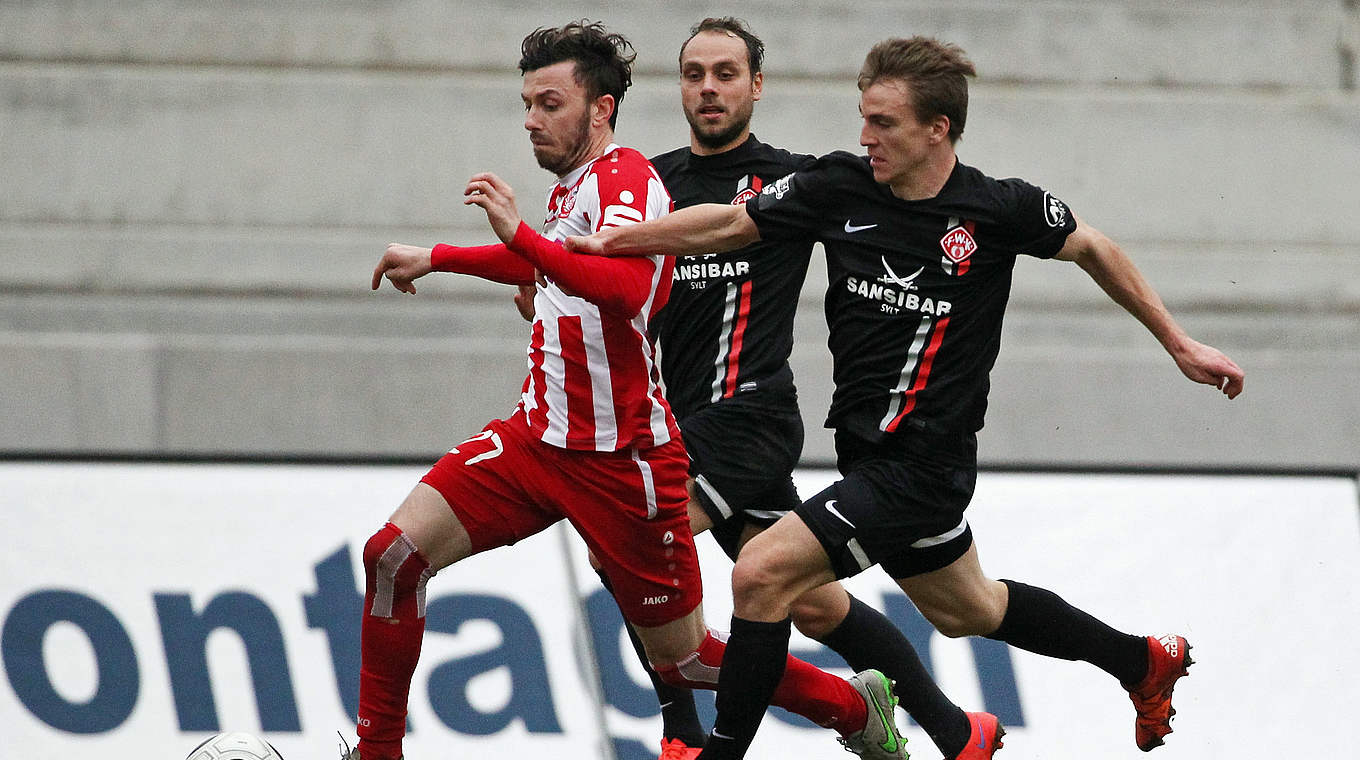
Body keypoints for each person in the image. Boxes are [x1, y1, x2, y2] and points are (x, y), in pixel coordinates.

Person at [567, 35, 1245, 759]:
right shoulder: (840, 186)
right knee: (970, 610)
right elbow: (733, 223)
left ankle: (714, 751)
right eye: (863, 118)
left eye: (883, 124)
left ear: (938, 129)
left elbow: (1094, 247)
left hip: (921, 468)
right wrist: (613, 244)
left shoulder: (997, 209)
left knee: (760, 574)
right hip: (868, 458)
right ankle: (1141, 661)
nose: (866, 137)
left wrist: (1179, 343)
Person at [354, 21, 907, 760]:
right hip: (535, 440)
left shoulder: (630, 181)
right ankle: (377, 750)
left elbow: (626, 286)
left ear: (601, 109)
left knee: (686, 660)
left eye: (550, 103)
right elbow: (545, 265)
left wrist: (523, 238)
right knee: (393, 555)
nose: (531, 119)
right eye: (527, 103)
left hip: (624, 464)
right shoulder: (573, 189)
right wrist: (439, 256)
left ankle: (849, 704)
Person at [581, 18, 1000, 760]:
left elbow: (902, 209)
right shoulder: (650, 182)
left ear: (756, 86)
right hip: (681, 425)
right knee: (812, 603)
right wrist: (547, 278)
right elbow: (604, 269)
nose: (709, 88)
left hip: (748, 418)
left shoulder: (797, 181)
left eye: (726, 74)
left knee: (631, 541)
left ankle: (682, 732)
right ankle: (953, 727)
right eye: (694, 74)